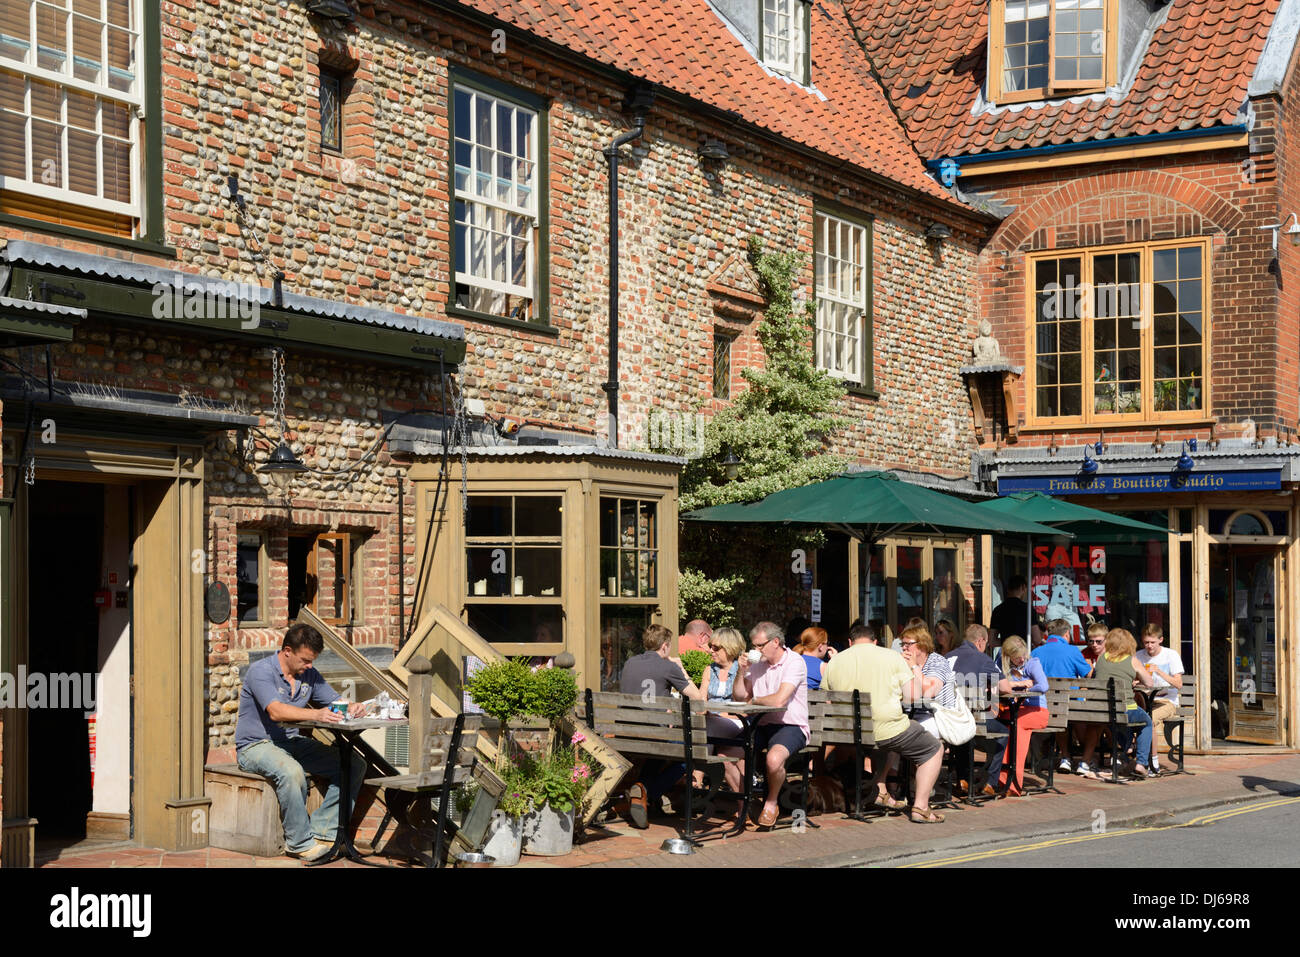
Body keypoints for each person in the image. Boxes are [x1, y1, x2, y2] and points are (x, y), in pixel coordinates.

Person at [234, 623, 367, 862]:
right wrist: (316, 714)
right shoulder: (260, 671)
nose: (310, 666)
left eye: (312, 660)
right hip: (255, 745)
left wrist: (353, 706)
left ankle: (324, 833)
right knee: (292, 772)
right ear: (287, 651)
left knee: (354, 764)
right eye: (305, 660)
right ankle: (299, 843)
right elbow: (276, 711)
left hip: (291, 742)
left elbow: (334, 700)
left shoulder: (309, 674)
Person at [821, 625, 946, 824]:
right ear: (875, 642)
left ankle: (880, 791)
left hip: (847, 733)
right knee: (933, 748)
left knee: (884, 747)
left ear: (850, 642)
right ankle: (921, 808)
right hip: (886, 729)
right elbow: (912, 698)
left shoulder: (835, 661)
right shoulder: (892, 657)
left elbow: (826, 700)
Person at [617, 623, 705, 827]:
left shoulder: (630, 662)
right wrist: (680, 667)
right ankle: (646, 790)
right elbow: (697, 698)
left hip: (626, 733)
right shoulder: (668, 666)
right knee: (689, 755)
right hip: (654, 734)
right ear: (665, 646)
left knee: (662, 750)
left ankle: (643, 793)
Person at [733, 621, 809, 828]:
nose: (755, 650)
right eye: (753, 646)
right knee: (727, 752)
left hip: (790, 725)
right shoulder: (756, 664)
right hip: (760, 723)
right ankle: (744, 805)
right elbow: (740, 697)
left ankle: (771, 802)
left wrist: (755, 701)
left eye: (760, 646)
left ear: (776, 642)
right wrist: (741, 671)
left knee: (773, 759)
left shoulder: (794, 662)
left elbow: (779, 701)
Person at [945, 623, 1009, 793]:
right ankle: (991, 782)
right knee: (1004, 733)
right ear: (980, 641)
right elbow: (1005, 688)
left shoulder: (947, 657)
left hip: (947, 718)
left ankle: (963, 779)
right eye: (987, 644)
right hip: (973, 719)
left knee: (964, 733)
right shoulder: (983, 659)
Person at [1090, 627, 1156, 777]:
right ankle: (1141, 763)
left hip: (1103, 710)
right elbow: (1150, 683)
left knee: (1120, 724)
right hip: (1125, 708)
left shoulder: (1101, 658)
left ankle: (1125, 755)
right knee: (1146, 722)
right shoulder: (1132, 660)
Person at [991, 636, 1049, 797]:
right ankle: (999, 778)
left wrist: (1023, 692)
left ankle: (1012, 783)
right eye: (1017, 657)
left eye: (1023, 654)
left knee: (1015, 727)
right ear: (1008, 656)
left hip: (1036, 711)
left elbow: (1043, 685)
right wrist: (1020, 684)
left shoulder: (1032, 663)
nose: (1021, 659)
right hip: (1014, 710)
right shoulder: (1001, 664)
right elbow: (993, 683)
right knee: (1003, 727)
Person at [1032, 617, 1093, 773]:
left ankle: (1065, 756)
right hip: (1071, 705)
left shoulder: (1036, 652)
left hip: (1044, 705)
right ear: (1067, 634)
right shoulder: (1073, 651)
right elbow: (1088, 675)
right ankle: (1086, 759)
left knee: (1059, 713)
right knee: (1078, 714)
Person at [702, 627, 748, 794]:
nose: (711, 651)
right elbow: (701, 700)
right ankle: (695, 779)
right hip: (713, 721)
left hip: (736, 721)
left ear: (729, 649)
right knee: (702, 724)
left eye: (716, 648)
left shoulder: (742, 671)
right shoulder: (710, 670)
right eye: (710, 646)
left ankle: (695, 777)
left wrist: (720, 714)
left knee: (706, 727)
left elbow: (746, 708)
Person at [1135, 623, 1185, 773]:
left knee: (1148, 719)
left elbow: (1178, 684)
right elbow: (1134, 680)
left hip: (1167, 700)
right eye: (1146, 642)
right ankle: (1138, 757)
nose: (1149, 646)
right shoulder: (1138, 655)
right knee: (1133, 716)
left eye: (1152, 642)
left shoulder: (1171, 655)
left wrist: (1159, 672)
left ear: (1161, 640)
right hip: (1144, 699)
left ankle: (1152, 762)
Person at [899, 624, 958, 743]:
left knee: (905, 735)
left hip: (937, 717)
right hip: (909, 716)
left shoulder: (937, 662)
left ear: (922, 645)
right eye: (902, 644)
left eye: (908, 644)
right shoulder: (903, 663)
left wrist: (913, 666)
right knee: (890, 734)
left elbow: (929, 691)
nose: (904, 648)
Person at [793, 626, 837, 690]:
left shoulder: (792, 660)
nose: (827, 647)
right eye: (827, 643)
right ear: (820, 646)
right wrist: (835, 661)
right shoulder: (823, 667)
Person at [990, 575, 1029, 646]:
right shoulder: (1028, 610)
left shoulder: (998, 610)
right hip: (1023, 653)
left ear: (1008, 589)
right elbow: (1036, 639)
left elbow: (992, 641)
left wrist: (1009, 643)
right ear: (1023, 587)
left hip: (1006, 653)